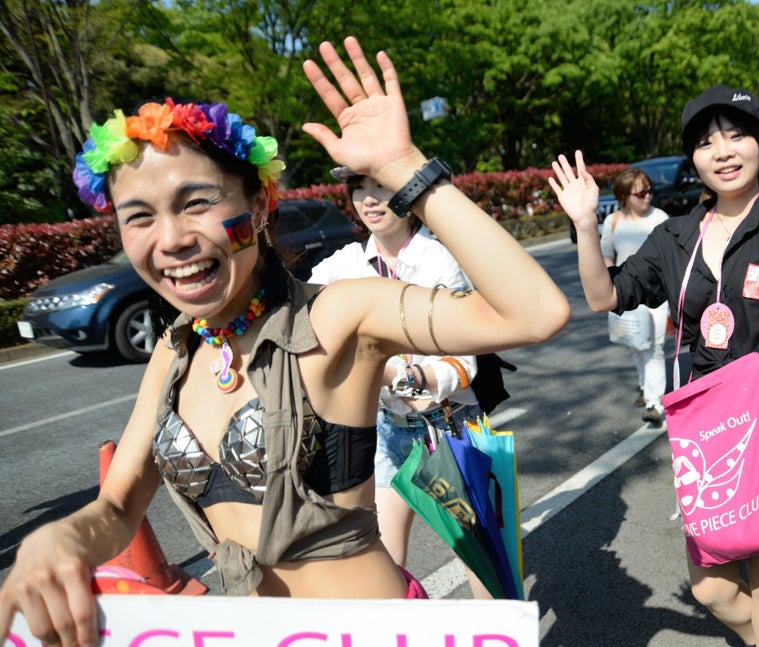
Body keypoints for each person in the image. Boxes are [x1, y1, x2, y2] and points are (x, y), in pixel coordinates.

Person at [0, 36, 570, 645]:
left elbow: (535, 312)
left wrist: (406, 169)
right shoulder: (174, 349)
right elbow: (116, 509)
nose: (169, 239)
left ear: (261, 204)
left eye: (196, 204)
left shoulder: (339, 313)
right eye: (138, 216)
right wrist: (58, 537)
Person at [549, 85, 759, 647]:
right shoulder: (675, 236)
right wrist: (586, 224)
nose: (723, 150)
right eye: (707, 141)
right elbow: (602, 296)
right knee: (711, 589)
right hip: (709, 437)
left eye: (737, 134)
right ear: (693, 158)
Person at [307, 169, 490, 598]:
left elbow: (462, 362)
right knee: (381, 568)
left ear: (408, 196)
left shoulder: (436, 260)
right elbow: (298, 297)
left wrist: (398, 376)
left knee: (481, 560)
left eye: (381, 189)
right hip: (387, 429)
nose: (369, 200)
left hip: (447, 426)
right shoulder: (348, 262)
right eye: (360, 190)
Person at [599, 166, 669, 424]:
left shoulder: (659, 218)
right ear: (624, 196)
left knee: (654, 348)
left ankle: (655, 402)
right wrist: (610, 280)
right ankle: (643, 384)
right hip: (626, 293)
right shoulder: (613, 221)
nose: (647, 197)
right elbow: (606, 251)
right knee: (634, 343)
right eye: (640, 194)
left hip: (657, 295)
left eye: (649, 191)